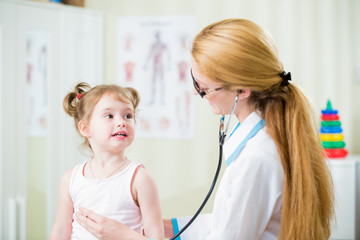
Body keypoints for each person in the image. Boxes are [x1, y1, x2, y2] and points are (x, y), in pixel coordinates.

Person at [75, 19, 335, 240]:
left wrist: (126, 236)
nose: (198, 92)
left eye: (204, 87)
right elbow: (230, 221)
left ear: (242, 91)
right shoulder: (260, 135)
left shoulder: (258, 158)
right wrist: (169, 227)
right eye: (194, 80)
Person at [50, 82, 164, 240]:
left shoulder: (140, 179)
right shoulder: (70, 179)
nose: (122, 122)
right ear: (85, 129)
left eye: (128, 116)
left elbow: (156, 237)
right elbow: (61, 230)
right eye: (109, 116)